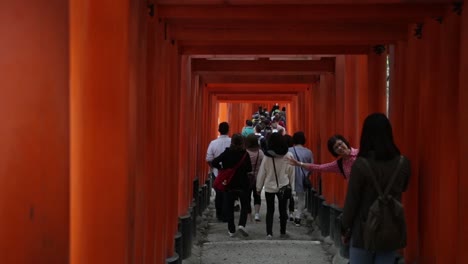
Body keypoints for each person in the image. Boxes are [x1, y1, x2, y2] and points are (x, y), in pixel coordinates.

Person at [341, 113, 411, 263]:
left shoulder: (361, 165)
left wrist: (344, 227)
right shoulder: (403, 163)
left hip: (363, 230)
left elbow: (352, 200)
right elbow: (404, 187)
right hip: (390, 228)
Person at [211, 134, 252, 237]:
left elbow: (214, 162)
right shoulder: (244, 154)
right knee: (245, 204)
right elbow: (249, 168)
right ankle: (242, 224)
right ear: (242, 142)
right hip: (242, 183)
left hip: (229, 183)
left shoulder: (227, 152)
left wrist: (223, 167)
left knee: (229, 206)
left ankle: (231, 229)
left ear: (232, 142)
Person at [256, 133, 295, 239]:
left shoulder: (267, 157)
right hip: (284, 185)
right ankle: (282, 232)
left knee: (270, 210)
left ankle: (269, 233)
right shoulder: (289, 155)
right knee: (283, 210)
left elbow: (262, 173)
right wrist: (292, 188)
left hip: (269, 186)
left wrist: (258, 187)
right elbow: (291, 173)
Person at [287, 134, 357, 180]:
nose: (339, 148)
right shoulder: (339, 164)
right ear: (334, 152)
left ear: (345, 142)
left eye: (340, 144)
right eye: (336, 148)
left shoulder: (360, 153)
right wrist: (299, 164)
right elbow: (319, 167)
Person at [206, 122, 231, 222]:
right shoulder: (232, 142)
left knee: (219, 194)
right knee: (228, 193)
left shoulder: (213, 143)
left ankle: (219, 214)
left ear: (219, 130)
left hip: (217, 172)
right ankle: (227, 213)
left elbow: (208, 159)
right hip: (230, 173)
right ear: (228, 130)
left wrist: (213, 168)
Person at [288, 131, 313, 226]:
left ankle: (290, 214)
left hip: (290, 176)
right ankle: (298, 217)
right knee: (301, 198)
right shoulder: (309, 152)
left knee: (289, 196)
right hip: (303, 177)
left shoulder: (289, 150)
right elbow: (311, 166)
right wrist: (307, 175)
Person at [245, 134, 264, 222]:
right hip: (258, 177)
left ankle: (249, 216)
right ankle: (257, 214)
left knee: (247, 197)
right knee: (257, 195)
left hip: (247, 177)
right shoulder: (260, 153)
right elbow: (263, 165)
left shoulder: (245, 152)